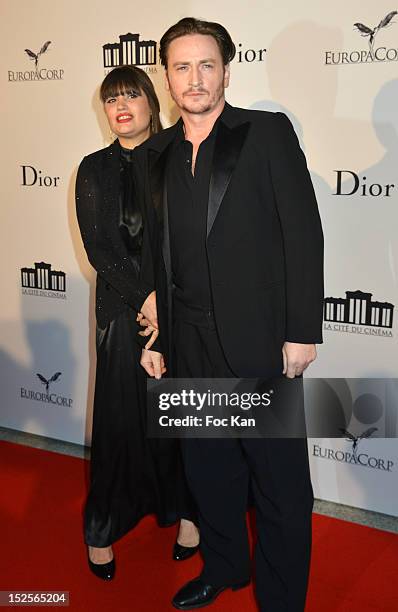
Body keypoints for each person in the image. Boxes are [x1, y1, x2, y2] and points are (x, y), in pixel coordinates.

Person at [135, 17, 324, 611]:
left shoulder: (265, 133)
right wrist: (160, 331)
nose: (195, 79)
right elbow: (160, 252)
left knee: (280, 486)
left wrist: (301, 329)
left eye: (206, 64)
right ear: (167, 77)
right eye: (182, 67)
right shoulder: (158, 152)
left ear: (225, 69)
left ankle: (281, 599)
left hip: (260, 339)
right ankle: (224, 567)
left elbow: (304, 232)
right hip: (187, 340)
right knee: (209, 471)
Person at [75, 65, 199, 581]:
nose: (120, 105)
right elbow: (100, 249)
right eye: (111, 99)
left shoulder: (179, 156)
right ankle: (101, 528)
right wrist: (143, 298)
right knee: (120, 422)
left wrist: (165, 300)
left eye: (130, 94)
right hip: (124, 314)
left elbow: (191, 236)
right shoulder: (93, 168)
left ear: (152, 100)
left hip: (180, 307)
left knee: (180, 420)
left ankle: (189, 514)